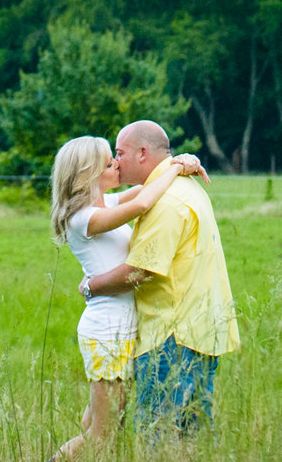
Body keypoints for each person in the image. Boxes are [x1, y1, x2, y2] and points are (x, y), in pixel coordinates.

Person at [45, 135, 206, 462]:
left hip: (116, 330)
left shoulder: (104, 203)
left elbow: (144, 188)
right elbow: (141, 204)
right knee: (104, 434)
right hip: (106, 333)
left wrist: (179, 163)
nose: (117, 165)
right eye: (108, 163)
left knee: (96, 425)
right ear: (87, 174)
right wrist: (177, 165)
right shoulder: (83, 218)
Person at [85, 119, 239, 436]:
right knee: (190, 432)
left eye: (120, 153)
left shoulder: (166, 202)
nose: (115, 161)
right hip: (199, 328)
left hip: (172, 335)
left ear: (143, 154)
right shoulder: (180, 187)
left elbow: (141, 270)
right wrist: (183, 162)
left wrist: (91, 286)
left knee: (161, 432)